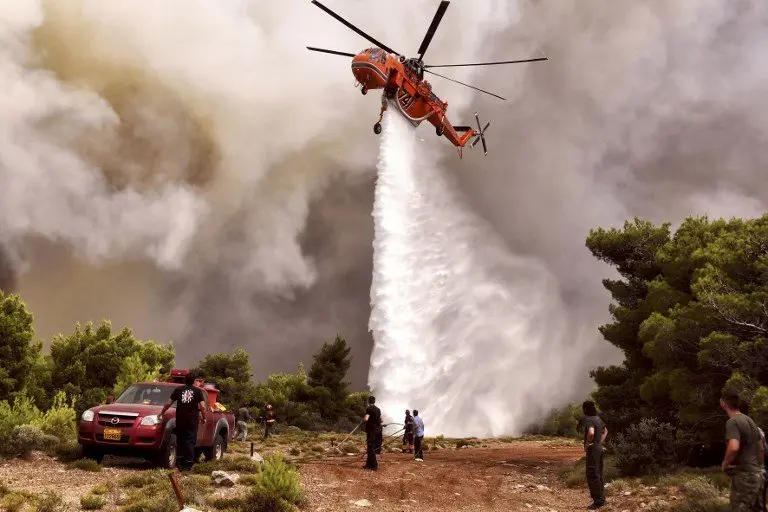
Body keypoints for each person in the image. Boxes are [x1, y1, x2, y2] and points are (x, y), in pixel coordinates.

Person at [720, 390, 764, 511]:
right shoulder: (750, 421)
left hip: (744, 476)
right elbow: (761, 448)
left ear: (723, 403)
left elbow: (733, 447)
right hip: (757, 475)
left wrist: (725, 464)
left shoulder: (732, 422)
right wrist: (758, 468)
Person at [158, 372, 207, 472]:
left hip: (180, 418)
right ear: (194, 381)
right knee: (190, 441)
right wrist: (204, 417)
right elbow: (202, 406)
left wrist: (162, 412)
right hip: (192, 420)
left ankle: (179, 464)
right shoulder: (197, 391)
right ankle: (188, 465)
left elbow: (168, 403)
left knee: (180, 440)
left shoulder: (178, 389)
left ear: (185, 380)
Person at [582, 400, 607, 510]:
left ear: (585, 409)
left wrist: (587, 444)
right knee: (598, 473)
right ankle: (601, 499)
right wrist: (600, 442)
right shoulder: (599, 419)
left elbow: (591, 432)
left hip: (593, 450)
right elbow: (605, 431)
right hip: (599, 448)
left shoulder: (589, 420)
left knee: (592, 474)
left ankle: (598, 502)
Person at [362, 395, 382, 470]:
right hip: (377, 431)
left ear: (368, 401)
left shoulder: (369, 408)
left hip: (371, 430)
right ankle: (368, 464)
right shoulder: (378, 409)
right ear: (374, 401)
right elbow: (380, 420)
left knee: (370, 448)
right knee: (371, 447)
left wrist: (363, 421)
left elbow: (366, 419)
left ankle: (373, 465)